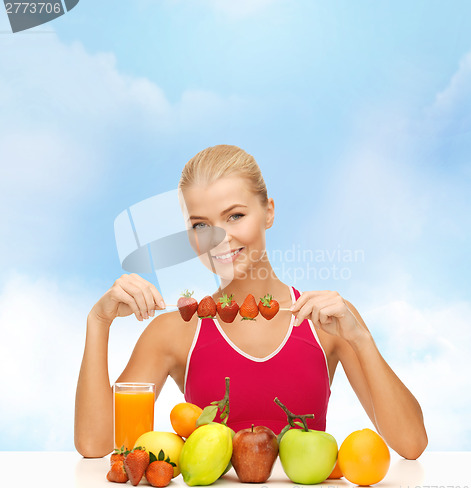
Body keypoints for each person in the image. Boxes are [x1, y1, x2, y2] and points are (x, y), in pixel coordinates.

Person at [74, 145, 428, 460]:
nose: (219, 238)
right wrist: (98, 322)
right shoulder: (175, 332)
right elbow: (95, 445)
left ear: (269, 212)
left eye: (235, 216)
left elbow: (411, 445)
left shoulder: (329, 321)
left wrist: (361, 340)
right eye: (200, 226)